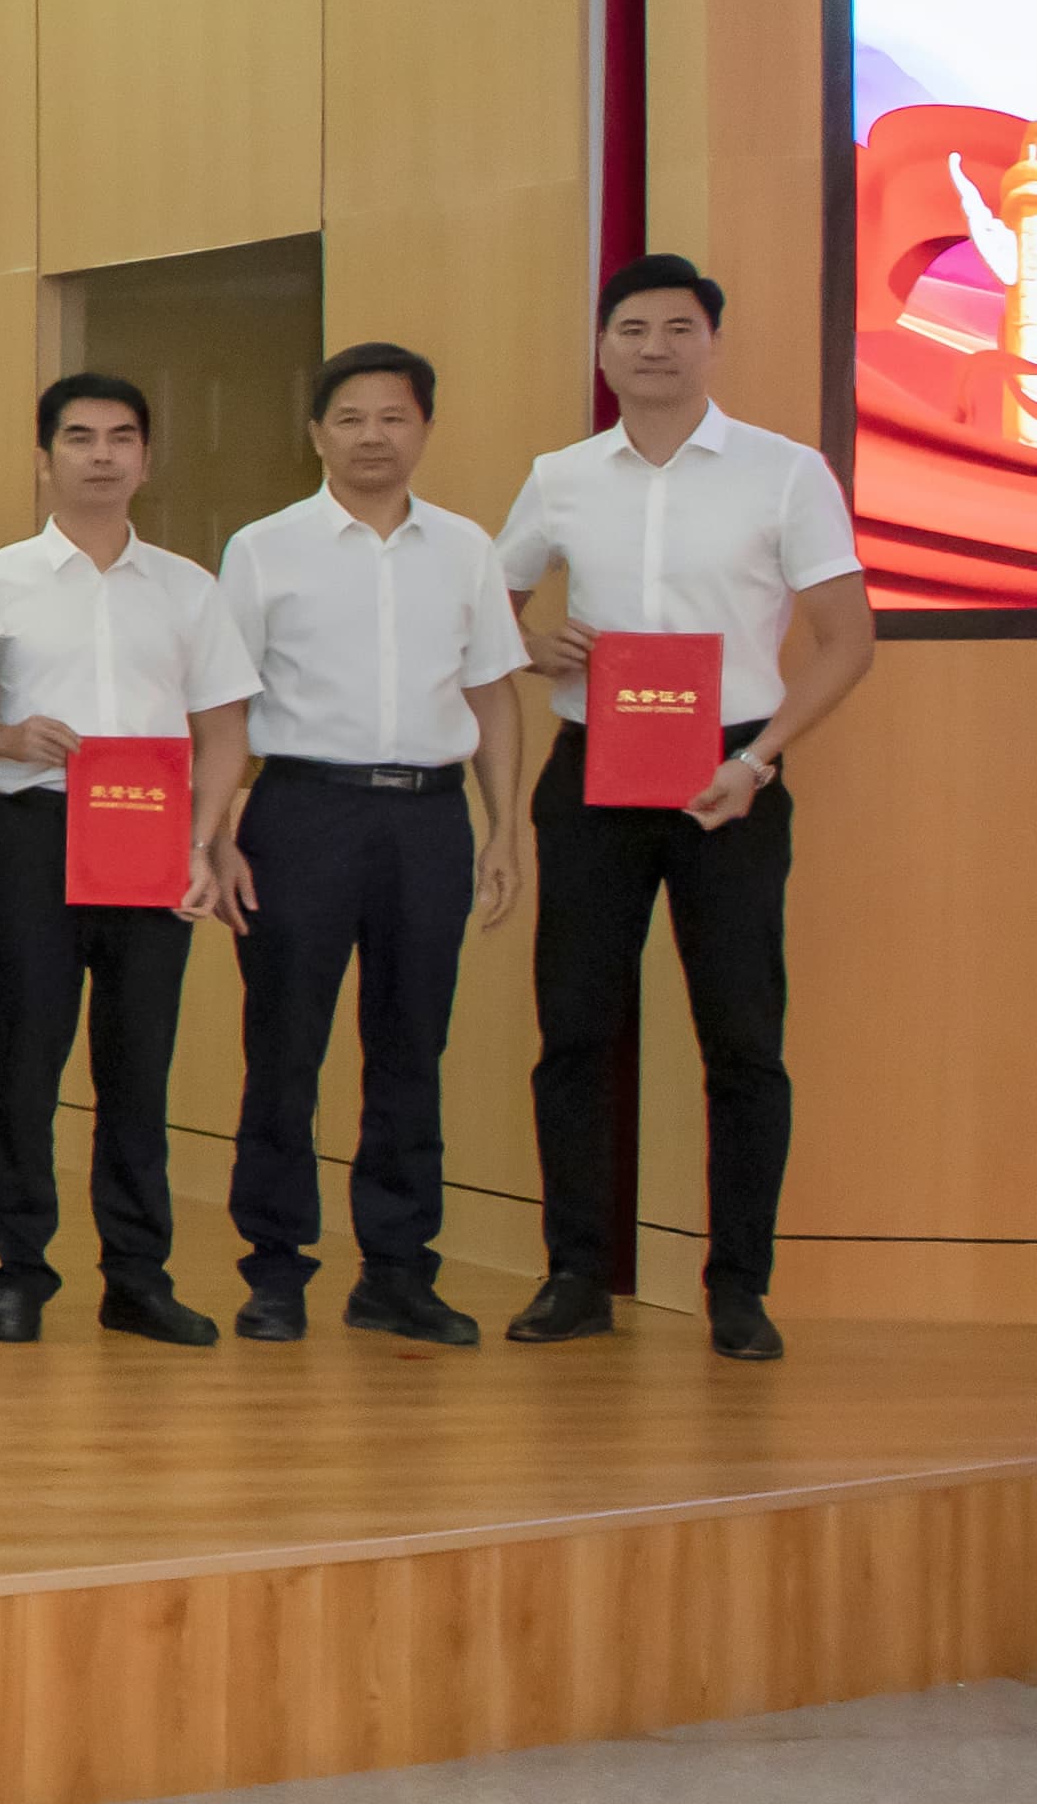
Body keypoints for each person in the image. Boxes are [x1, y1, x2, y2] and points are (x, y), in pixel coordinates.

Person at [498, 249, 875, 1360]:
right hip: (594, 773)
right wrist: (533, 644)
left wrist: (758, 759)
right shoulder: (561, 475)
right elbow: (483, 608)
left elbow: (847, 641)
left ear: (712, 342)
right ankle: (575, 1275)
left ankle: (738, 1289)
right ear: (603, 348)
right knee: (576, 1029)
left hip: (733, 776)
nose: (653, 348)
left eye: (677, 329)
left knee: (743, 1039)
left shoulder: (784, 472)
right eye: (631, 330)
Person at [208, 342, 536, 1348]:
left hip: (428, 818)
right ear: (316, 433)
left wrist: (505, 827)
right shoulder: (263, 547)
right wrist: (212, 834)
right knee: (285, 1046)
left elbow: (494, 694)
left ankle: (396, 1272)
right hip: (301, 811)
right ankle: (274, 1269)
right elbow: (220, 705)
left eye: (393, 417)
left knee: (411, 1047)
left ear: (424, 429)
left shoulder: (467, 548)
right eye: (349, 418)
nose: (372, 437)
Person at [0, 371, 257, 1348]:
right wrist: (3, 737)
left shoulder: (189, 587)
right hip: (34, 836)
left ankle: (137, 1277)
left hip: (154, 843)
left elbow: (224, 732)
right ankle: (19, 1274)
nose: (101, 455)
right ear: (44, 458)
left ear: (146, 457)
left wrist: (205, 842)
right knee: (24, 1064)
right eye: (80, 437)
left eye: (121, 437)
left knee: (139, 1068)